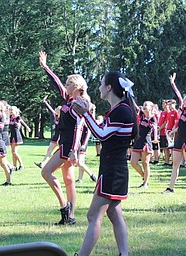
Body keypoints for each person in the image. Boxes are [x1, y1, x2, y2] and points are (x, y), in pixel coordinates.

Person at [72, 71, 138, 256]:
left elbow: (101, 135)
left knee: (93, 215)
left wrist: (85, 114)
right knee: (114, 214)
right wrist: (87, 114)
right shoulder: (120, 109)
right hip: (113, 168)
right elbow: (103, 131)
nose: (99, 88)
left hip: (113, 170)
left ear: (109, 87)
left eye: (102, 84)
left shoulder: (122, 110)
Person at [39, 50, 89, 225]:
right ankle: (70, 217)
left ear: (75, 87)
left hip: (69, 148)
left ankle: (65, 209)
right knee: (68, 181)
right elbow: (56, 82)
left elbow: (79, 129)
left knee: (46, 172)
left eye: (69, 84)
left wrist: (75, 151)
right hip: (66, 145)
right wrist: (45, 67)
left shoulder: (80, 104)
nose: (65, 86)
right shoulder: (69, 99)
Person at [130, 100, 158, 189]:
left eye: (146, 105)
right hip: (138, 140)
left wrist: (155, 138)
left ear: (151, 107)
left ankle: (145, 183)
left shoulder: (152, 118)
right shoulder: (141, 115)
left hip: (146, 142)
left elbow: (155, 128)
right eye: (144, 104)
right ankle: (144, 176)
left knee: (145, 163)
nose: (144, 106)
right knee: (133, 162)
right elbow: (135, 105)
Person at [34, 96, 61, 169]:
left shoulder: (63, 118)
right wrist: (45, 102)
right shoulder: (56, 116)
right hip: (55, 136)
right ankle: (42, 164)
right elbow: (50, 109)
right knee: (49, 150)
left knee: (61, 153)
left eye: (57, 109)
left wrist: (59, 139)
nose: (55, 110)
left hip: (61, 137)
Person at [76, 103, 97, 183]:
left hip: (83, 143)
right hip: (80, 142)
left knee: (79, 162)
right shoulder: (83, 118)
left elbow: (88, 132)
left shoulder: (87, 119)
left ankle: (92, 175)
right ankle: (80, 179)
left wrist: (84, 144)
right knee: (81, 162)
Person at [9, 105, 31, 170]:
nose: (10, 111)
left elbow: (22, 122)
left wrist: (27, 128)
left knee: (15, 152)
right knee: (13, 152)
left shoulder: (17, 117)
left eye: (11, 110)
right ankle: (14, 166)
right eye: (10, 110)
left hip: (17, 136)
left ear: (15, 111)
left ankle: (21, 164)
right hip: (12, 136)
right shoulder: (10, 117)